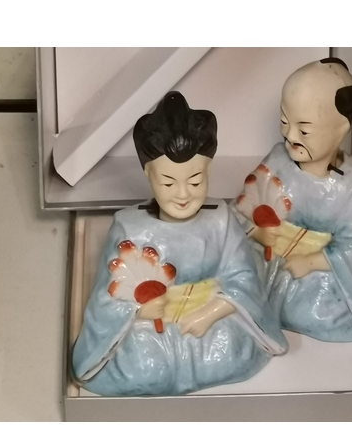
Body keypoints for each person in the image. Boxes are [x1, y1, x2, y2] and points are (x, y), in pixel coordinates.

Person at [72, 91, 288, 396]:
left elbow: (243, 281)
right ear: (148, 174)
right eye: (169, 182)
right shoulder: (129, 228)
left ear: (209, 170)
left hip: (211, 324)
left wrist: (209, 313)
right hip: (152, 329)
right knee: (145, 367)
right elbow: (106, 302)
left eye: (196, 181)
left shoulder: (221, 221)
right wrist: (139, 310)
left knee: (227, 350)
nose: (183, 194)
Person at [234, 58, 352, 342]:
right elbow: (244, 209)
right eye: (284, 121)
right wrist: (257, 230)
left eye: (304, 130)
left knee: (316, 310)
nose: (290, 135)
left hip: (321, 271)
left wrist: (313, 261)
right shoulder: (278, 160)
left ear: (341, 128)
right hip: (271, 256)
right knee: (237, 273)